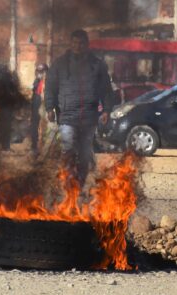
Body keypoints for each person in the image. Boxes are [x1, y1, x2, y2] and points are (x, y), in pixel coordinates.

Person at [44, 29, 114, 186]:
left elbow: (106, 89)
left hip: (89, 118)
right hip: (67, 116)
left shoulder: (97, 65)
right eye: (75, 42)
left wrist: (107, 110)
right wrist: (50, 108)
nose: (78, 46)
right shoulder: (59, 64)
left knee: (84, 155)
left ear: (87, 44)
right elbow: (50, 87)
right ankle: (68, 182)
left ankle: (79, 184)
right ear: (70, 43)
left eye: (81, 43)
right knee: (68, 149)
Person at [30, 64, 47, 155]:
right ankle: (34, 146)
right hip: (36, 104)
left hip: (44, 105)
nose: (40, 74)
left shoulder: (48, 82)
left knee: (44, 127)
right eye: (39, 72)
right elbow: (34, 94)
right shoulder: (36, 81)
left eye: (42, 72)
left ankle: (43, 148)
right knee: (34, 125)